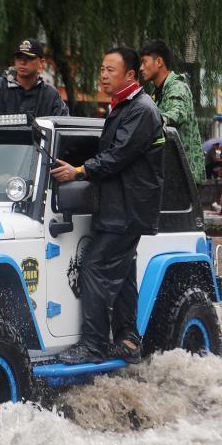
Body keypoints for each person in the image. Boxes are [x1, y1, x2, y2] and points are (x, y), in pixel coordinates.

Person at [50, 47, 164, 365]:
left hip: (127, 208)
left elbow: (117, 156)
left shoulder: (141, 109)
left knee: (94, 268)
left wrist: (78, 171)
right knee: (125, 272)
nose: (102, 74)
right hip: (121, 205)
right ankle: (128, 341)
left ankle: (94, 345)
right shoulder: (121, 107)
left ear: (130, 75)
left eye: (110, 69)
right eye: (101, 68)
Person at [138, 39, 204, 183]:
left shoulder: (177, 86)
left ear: (159, 62)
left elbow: (178, 113)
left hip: (185, 176)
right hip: (171, 173)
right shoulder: (156, 93)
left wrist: (151, 122)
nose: (141, 68)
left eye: (144, 62)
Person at [0, 38, 69, 117]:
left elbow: (64, 127)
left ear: (41, 63)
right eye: (19, 57)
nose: (22, 62)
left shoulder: (50, 94)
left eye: (29, 58)